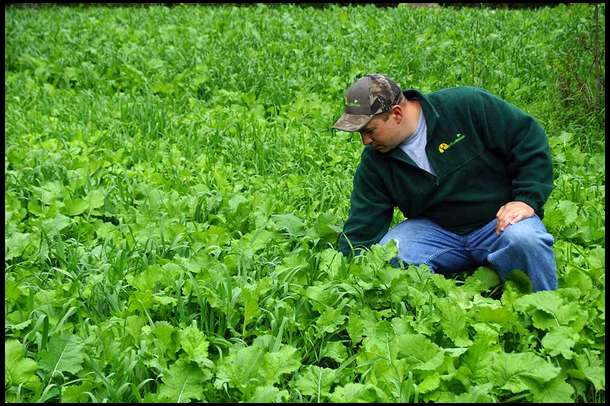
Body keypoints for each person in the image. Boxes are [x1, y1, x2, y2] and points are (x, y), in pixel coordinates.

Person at [332, 73, 557, 292]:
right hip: (438, 231)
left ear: (397, 113)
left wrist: (527, 199)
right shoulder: (375, 161)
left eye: (369, 131)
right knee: (389, 254)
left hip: (496, 220)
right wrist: (347, 275)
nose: (365, 141)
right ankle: (438, 301)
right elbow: (363, 223)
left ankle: (543, 306)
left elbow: (527, 138)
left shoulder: (466, 106)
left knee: (526, 240)